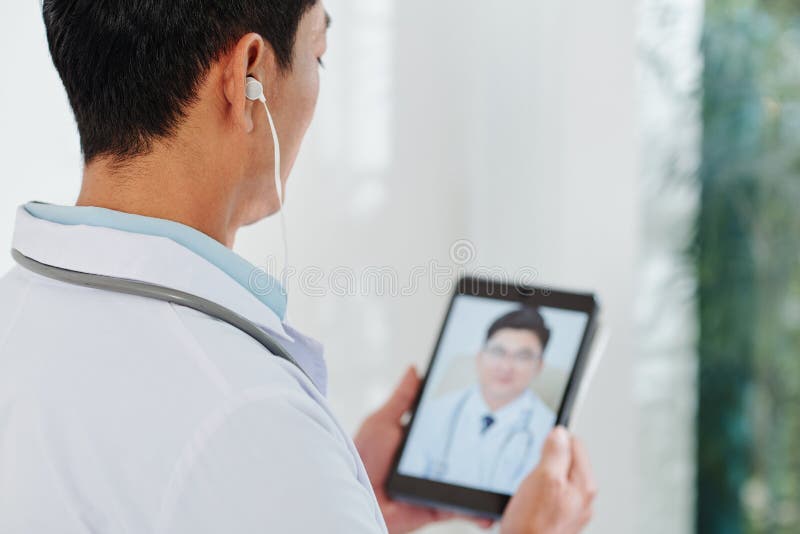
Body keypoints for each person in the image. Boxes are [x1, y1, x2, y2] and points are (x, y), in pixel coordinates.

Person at [0, 1, 596, 533]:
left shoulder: (22, 312)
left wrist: (341, 496)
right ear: (248, 73)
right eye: (319, 55)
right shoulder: (251, 418)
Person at [400, 307, 556, 493]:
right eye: (498, 352)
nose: (506, 366)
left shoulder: (550, 433)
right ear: (480, 356)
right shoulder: (435, 412)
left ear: (539, 367)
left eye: (522, 356)